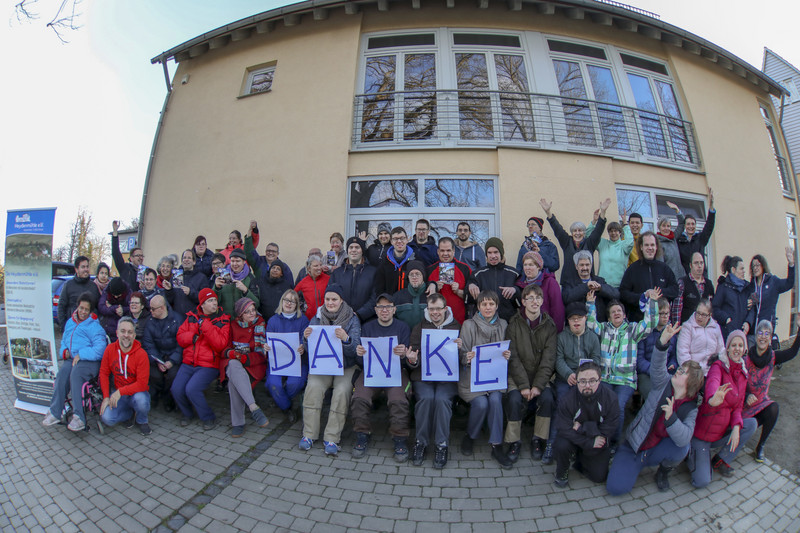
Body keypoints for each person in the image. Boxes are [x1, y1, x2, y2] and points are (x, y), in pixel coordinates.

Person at [606, 324, 705, 495]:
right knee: (616, 489)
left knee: (682, 448)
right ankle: (628, 462)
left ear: (691, 383)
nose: (678, 371)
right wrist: (662, 342)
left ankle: (663, 472)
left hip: (656, 450)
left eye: (683, 372)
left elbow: (685, 438)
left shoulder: (690, 407)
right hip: (635, 446)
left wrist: (671, 418)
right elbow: (658, 365)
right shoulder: (663, 383)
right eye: (680, 368)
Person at [587, 287, 659, 447]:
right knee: (601, 406)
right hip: (605, 378)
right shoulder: (604, 329)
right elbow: (591, 324)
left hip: (625, 381)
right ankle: (600, 438)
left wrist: (653, 302)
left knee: (617, 407)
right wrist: (590, 304)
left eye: (619, 310)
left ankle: (613, 443)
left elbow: (650, 323)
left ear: (624, 314)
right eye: (613, 312)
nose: (616, 313)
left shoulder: (632, 330)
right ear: (609, 316)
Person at [689, 330, 758, 488]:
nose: (737, 349)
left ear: (744, 349)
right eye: (733, 345)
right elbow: (712, 383)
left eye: (740, 345)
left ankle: (721, 459)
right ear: (727, 348)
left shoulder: (742, 374)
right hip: (703, 435)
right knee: (702, 481)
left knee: (750, 424)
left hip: (720, 432)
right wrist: (713, 399)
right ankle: (691, 453)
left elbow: (738, 407)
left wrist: (735, 427)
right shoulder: (718, 367)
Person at [300, 284, 361, 456]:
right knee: (313, 387)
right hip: (323, 365)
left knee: (342, 391)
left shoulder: (352, 318)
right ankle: (309, 434)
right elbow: (309, 348)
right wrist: (305, 339)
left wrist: (346, 339)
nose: (330, 302)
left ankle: (332, 437)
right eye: (327, 299)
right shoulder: (317, 318)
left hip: (346, 365)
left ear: (341, 300)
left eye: (334, 299)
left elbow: (356, 349)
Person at [351, 294, 414, 462]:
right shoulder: (367, 327)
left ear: (394, 309)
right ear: (375, 310)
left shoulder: (403, 327)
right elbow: (360, 360)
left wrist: (403, 355)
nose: (384, 310)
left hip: (396, 372)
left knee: (398, 399)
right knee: (359, 397)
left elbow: (408, 360)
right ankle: (362, 434)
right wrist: (359, 354)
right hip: (371, 371)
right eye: (380, 307)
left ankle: (400, 438)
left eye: (388, 307)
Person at [458, 290, 513, 469]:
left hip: (495, 377)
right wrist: (467, 356)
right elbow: (460, 354)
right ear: (478, 306)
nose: (488, 307)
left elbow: (508, 351)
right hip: (472, 377)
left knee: (496, 399)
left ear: (497, 306)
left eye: (491, 304)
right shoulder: (468, 325)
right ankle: (470, 436)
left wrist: (507, 355)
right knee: (481, 403)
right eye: (484, 304)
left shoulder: (504, 324)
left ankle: (496, 444)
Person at [504, 284, 558, 464]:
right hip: (518, 376)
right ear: (524, 301)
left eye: (538, 298)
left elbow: (549, 360)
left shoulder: (549, 326)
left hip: (540, 377)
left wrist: (537, 386)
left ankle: (538, 439)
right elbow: (513, 357)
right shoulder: (513, 324)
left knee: (548, 399)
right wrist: (524, 386)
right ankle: (513, 441)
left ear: (542, 301)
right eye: (530, 298)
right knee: (513, 400)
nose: (534, 302)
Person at [407, 293, 462, 469]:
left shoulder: (456, 327)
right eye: (431, 309)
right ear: (427, 310)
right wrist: (413, 360)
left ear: (445, 309)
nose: (435, 312)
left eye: (438, 308)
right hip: (424, 376)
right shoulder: (419, 327)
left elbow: (463, 359)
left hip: (447, 378)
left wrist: (461, 349)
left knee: (442, 400)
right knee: (426, 399)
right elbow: (413, 356)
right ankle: (420, 442)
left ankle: (441, 444)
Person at [42, 293, 108, 431]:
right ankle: (55, 412)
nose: (83, 312)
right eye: (81, 308)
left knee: (76, 374)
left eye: (86, 309)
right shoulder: (70, 322)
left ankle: (79, 417)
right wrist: (64, 351)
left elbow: (100, 349)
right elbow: (64, 341)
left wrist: (81, 354)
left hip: (90, 361)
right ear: (77, 307)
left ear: (90, 311)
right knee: (62, 374)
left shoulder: (94, 326)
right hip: (72, 359)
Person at [552, 361, 620, 488]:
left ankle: (581, 460)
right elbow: (563, 428)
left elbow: (608, 429)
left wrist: (582, 427)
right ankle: (562, 471)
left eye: (592, 381)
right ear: (576, 381)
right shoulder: (567, 399)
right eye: (582, 381)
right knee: (562, 444)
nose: (587, 385)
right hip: (582, 439)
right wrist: (588, 442)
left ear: (599, 380)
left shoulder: (611, 398)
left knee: (599, 477)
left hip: (597, 438)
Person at [173, 288, 231, 430]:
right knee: (176, 389)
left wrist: (206, 326)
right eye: (210, 301)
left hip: (209, 365)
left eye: (215, 300)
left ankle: (208, 417)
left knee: (192, 389)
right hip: (189, 362)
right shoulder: (191, 317)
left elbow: (220, 345)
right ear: (202, 304)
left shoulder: (223, 320)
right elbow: (180, 338)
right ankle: (187, 413)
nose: (214, 303)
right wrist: (191, 337)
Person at [743, 317, 800, 462]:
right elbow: (738, 383)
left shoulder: (773, 357)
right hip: (744, 405)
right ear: (756, 336)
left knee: (774, 408)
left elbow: (793, 352)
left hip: (761, 404)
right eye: (760, 333)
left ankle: (760, 446)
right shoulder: (746, 359)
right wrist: (747, 394)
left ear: (770, 337)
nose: (763, 337)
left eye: (767, 333)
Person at [550, 303, 601, 464]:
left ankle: (583, 446)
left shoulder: (592, 337)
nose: (576, 321)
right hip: (566, 379)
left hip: (586, 381)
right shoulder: (561, 337)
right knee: (562, 406)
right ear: (568, 321)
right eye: (572, 319)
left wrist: (585, 378)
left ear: (586, 318)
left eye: (579, 318)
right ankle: (552, 444)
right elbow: (558, 359)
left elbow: (597, 360)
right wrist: (568, 374)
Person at [222, 298, 269, 437]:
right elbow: (225, 348)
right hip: (236, 364)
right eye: (247, 312)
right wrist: (232, 353)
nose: (252, 314)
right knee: (232, 365)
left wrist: (245, 358)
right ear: (240, 314)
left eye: (253, 310)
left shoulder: (260, 324)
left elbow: (261, 353)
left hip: (254, 365)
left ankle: (238, 423)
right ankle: (253, 407)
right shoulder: (233, 325)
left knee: (233, 383)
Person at [97, 317, 152, 436]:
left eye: (130, 332)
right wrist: (106, 397)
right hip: (119, 394)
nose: (126, 335)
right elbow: (104, 373)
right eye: (123, 331)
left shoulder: (141, 354)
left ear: (134, 335)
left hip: (137, 393)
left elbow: (142, 384)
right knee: (107, 418)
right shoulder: (110, 349)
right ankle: (130, 414)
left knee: (141, 401)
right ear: (117, 333)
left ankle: (142, 420)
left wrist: (120, 392)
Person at [540, 197, 610, 287]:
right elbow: (557, 228)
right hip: (568, 284)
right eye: (575, 231)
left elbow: (598, 230)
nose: (577, 233)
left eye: (580, 230)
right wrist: (548, 213)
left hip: (587, 283)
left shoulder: (590, 244)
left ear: (584, 233)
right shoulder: (566, 242)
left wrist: (603, 212)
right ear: (572, 233)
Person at [265, 289, 309, 422]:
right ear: (282, 301)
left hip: (298, 361)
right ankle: (287, 407)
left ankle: (280, 399)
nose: (289, 303)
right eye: (287, 300)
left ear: (297, 305)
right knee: (273, 384)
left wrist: (303, 346)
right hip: (277, 361)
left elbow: (305, 340)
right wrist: (266, 347)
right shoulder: (273, 320)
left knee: (295, 383)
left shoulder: (303, 320)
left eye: (293, 301)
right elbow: (267, 341)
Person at [619, 231, 679, 322]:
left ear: (656, 247)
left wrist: (658, 293)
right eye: (646, 245)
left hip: (661, 322)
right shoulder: (633, 269)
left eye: (652, 245)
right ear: (641, 247)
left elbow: (675, 290)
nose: (650, 248)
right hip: (639, 322)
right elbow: (623, 293)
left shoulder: (664, 268)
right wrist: (643, 296)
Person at [141, 295, 182, 412]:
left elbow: (181, 345)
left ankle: (169, 398)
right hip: (158, 356)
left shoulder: (177, 320)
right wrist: (158, 360)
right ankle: (157, 395)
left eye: (153, 309)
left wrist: (172, 361)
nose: (150, 311)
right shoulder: (150, 322)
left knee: (172, 375)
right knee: (154, 374)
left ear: (162, 308)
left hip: (174, 356)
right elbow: (148, 344)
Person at [746, 249, 796, 340]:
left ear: (763, 266)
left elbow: (789, 283)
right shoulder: (751, 286)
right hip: (752, 331)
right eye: (753, 266)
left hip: (766, 330)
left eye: (757, 265)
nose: (755, 268)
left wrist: (791, 264)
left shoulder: (773, 282)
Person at [468, 237, 519, 322]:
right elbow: (468, 299)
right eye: (489, 253)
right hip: (483, 323)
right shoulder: (478, 274)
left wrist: (515, 290)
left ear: (501, 253)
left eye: (496, 252)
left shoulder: (514, 273)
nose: (493, 256)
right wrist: (470, 286)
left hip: (508, 322)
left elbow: (523, 295)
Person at [636, 298, 678, 402]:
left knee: (673, 395)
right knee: (653, 397)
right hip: (646, 373)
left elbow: (674, 356)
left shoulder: (671, 333)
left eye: (667, 313)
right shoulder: (645, 332)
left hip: (665, 373)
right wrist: (654, 370)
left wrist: (672, 364)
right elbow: (639, 359)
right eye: (661, 313)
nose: (665, 316)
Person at [328, 236, 378, 322]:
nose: (354, 250)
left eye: (357, 247)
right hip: (340, 320)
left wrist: (359, 314)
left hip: (366, 321)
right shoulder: (337, 273)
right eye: (351, 247)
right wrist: (343, 314)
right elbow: (331, 296)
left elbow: (375, 298)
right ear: (347, 251)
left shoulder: (373, 272)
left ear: (362, 250)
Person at [561, 250, 619, 324]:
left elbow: (616, 294)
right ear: (576, 266)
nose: (585, 268)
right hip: (577, 326)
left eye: (587, 264)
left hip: (599, 325)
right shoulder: (569, 282)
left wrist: (601, 288)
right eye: (581, 265)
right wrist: (586, 286)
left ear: (591, 265)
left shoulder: (599, 280)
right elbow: (566, 298)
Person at [515, 251, 564, 332]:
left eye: (531, 265)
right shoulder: (520, 283)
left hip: (546, 330)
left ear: (538, 267)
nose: (527, 268)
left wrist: (556, 331)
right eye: (525, 265)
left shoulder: (550, 282)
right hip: (527, 331)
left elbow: (557, 309)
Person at [427, 237, 472, 324]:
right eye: (442, 251)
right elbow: (424, 297)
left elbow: (471, 297)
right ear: (438, 251)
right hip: (435, 322)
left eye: (448, 250)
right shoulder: (430, 270)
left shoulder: (465, 269)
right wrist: (435, 288)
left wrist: (458, 291)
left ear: (453, 251)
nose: (445, 254)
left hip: (459, 320)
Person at [676, 299, 725, 376]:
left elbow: (721, 350)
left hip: (712, 371)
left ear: (710, 315)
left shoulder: (716, 327)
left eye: (703, 315)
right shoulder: (687, 327)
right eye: (698, 313)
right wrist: (690, 372)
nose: (699, 317)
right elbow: (682, 353)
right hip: (693, 373)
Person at [675, 188, 716, 275]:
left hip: (701, 277)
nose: (691, 226)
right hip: (686, 278)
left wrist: (711, 208)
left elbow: (709, 227)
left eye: (693, 224)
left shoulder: (700, 239)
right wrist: (677, 211)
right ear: (685, 226)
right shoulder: (679, 240)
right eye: (688, 224)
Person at [712, 255, 752, 341]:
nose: (744, 271)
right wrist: (726, 319)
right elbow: (714, 308)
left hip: (744, 334)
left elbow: (752, 309)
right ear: (733, 270)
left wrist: (748, 322)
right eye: (741, 269)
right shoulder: (723, 287)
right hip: (727, 334)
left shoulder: (747, 287)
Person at [671, 252, 715, 325]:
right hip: (687, 328)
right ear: (690, 265)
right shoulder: (682, 283)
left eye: (701, 263)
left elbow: (712, 308)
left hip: (705, 329)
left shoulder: (709, 284)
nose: (699, 266)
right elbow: (676, 309)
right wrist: (677, 328)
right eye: (696, 263)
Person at [57, 255, 100, 329]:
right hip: (72, 328)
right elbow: (61, 307)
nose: (86, 269)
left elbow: (98, 307)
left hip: (89, 329)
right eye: (83, 267)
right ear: (76, 269)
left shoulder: (94, 286)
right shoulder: (68, 285)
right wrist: (64, 326)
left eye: (87, 266)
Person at [214, 248, 259, 316]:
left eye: (238, 261)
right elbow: (213, 302)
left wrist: (246, 291)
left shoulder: (250, 278)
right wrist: (216, 288)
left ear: (244, 262)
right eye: (232, 261)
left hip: (242, 322)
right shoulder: (223, 275)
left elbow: (257, 304)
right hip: (225, 320)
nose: (235, 264)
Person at [592, 218, 634, 288]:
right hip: (602, 285)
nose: (613, 233)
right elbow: (590, 237)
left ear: (620, 232)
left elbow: (630, 242)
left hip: (619, 286)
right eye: (611, 231)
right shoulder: (603, 244)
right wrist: (594, 222)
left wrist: (626, 225)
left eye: (616, 231)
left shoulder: (624, 246)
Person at [374, 226, 416, 295]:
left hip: (409, 304)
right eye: (395, 239)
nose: (399, 241)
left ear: (407, 240)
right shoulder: (384, 262)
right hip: (390, 304)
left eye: (402, 238)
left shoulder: (415, 259)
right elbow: (379, 288)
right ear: (391, 241)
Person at [170, 249, 211, 317]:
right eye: (184, 258)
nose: (186, 260)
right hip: (177, 318)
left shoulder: (201, 277)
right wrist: (168, 290)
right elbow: (170, 299)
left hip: (193, 318)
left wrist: (191, 292)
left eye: (189, 258)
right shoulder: (176, 276)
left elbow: (205, 299)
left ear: (194, 262)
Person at [394, 261, 429, 329]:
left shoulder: (431, 295)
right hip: (404, 337)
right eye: (411, 274)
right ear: (408, 277)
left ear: (423, 276)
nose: (414, 277)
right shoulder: (398, 296)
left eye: (417, 274)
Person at [111, 220, 144, 291]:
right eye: (138, 255)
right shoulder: (124, 268)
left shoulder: (144, 271)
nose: (140, 258)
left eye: (142, 256)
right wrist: (115, 232)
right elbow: (116, 253)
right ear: (131, 258)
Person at [295, 254, 329, 319]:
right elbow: (293, 295)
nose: (319, 268)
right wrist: (302, 308)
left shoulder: (328, 279)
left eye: (320, 265)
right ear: (309, 268)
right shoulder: (303, 282)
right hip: (309, 318)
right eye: (316, 266)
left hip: (326, 317)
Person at [97, 277, 130, 341]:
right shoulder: (106, 291)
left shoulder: (128, 293)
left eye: (118, 295)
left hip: (120, 328)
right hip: (107, 328)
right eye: (114, 295)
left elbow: (131, 308)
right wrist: (115, 308)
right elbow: (101, 307)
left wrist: (123, 310)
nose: (115, 297)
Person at [655, 212, 685, 281]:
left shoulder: (673, 238)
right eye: (663, 226)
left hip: (682, 278)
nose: (666, 228)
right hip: (671, 280)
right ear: (659, 227)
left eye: (668, 226)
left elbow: (682, 224)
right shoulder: (658, 243)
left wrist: (677, 211)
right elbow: (661, 267)